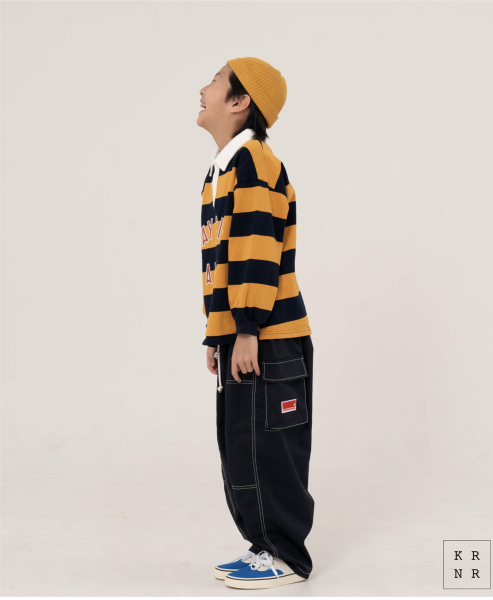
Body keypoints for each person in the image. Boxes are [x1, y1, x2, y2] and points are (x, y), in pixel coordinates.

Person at [197, 57, 315, 590]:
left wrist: (246, 328)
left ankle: (286, 555)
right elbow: (222, 261)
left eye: (214, 81)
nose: (202, 88)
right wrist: (219, 332)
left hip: (269, 336)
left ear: (240, 101)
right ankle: (264, 545)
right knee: (242, 444)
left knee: (270, 449)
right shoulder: (223, 170)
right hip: (245, 334)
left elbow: (256, 251)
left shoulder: (253, 164)